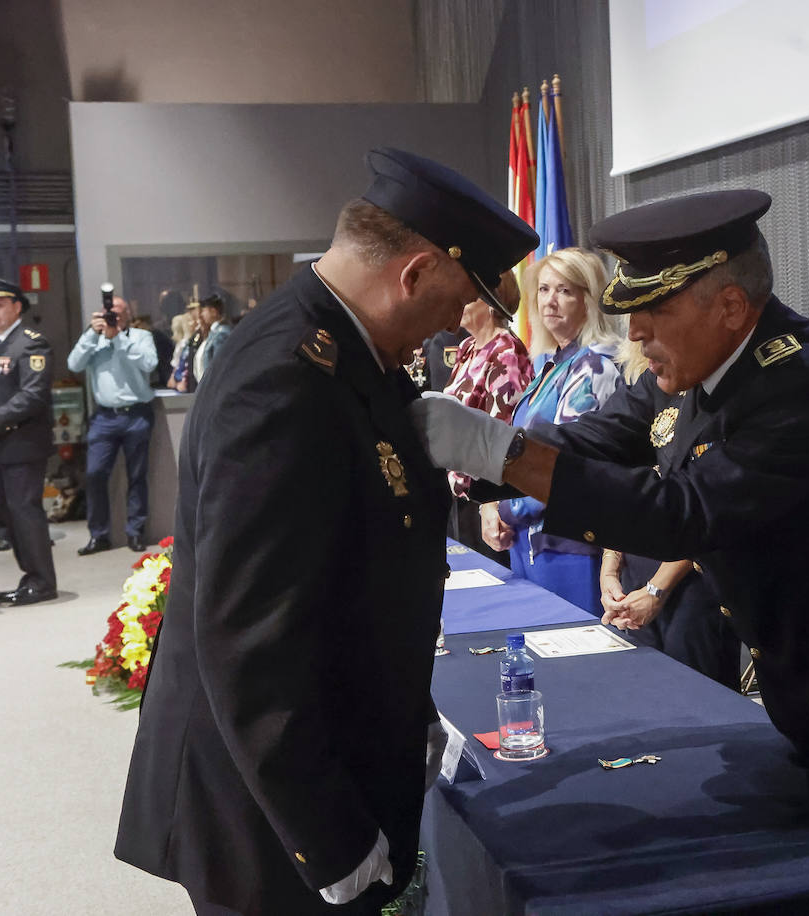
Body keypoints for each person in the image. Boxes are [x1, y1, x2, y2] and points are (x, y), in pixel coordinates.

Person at [411, 190, 809, 802]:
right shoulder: (688, 369)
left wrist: (502, 452)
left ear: (730, 306)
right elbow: (597, 440)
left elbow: (682, 515)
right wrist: (484, 447)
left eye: (654, 310)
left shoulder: (805, 385)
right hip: (802, 664)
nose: (636, 331)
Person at [114, 147, 538, 916]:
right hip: (270, 816)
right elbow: (249, 643)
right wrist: (328, 838)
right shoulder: (284, 378)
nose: (454, 325)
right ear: (411, 274)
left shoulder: (343, 347)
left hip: (325, 759)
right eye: (458, 299)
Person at [478, 248, 622, 614]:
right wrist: (492, 505)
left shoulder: (595, 366)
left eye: (565, 291)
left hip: (571, 545)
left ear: (589, 299)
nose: (550, 301)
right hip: (528, 541)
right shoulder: (550, 364)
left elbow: (564, 463)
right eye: (543, 290)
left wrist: (503, 510)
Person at [596, 342, 738, 688]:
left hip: (690, 580)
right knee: (643, 695)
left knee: (695, 702)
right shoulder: (642, 384)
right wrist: (610, 568)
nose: (640, 330)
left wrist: (656, 591)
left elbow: (715, 505)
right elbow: (624, 485)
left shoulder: (715, 391)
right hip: (636, 575)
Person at [441, 270, 532, 563]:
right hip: (457, 496)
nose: (459, 300)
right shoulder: (468, 348)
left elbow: (503, 434)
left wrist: (490, 504)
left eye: (467, 295)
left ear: (491, 302)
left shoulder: (505, 350)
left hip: (485, 501)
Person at [0, 278, 57, 604]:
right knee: (8, 518)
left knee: (25, 514)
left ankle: (42, 582)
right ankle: (30, 576)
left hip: (22, 444)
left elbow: (33, 394)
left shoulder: (30, 344)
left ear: (16, 306)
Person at [67, 291, 159, 554]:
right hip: (104, 417)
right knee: (95, 474)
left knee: (137, 475)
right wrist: (90, 335)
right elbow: (73, 364)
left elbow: (150, 363)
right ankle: (99, 535)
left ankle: (135, 532)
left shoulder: (142, 337)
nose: (114, 317)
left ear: (127, 315)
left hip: (137, 414)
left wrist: (118, 339)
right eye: (110, 313)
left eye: (118, 313)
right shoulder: (94, 339)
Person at [192, 294, 231, 383]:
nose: (202, 314)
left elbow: (219, 367)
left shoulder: (222, 333)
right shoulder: (214, 333)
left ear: (213, 312)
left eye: (204, 310)